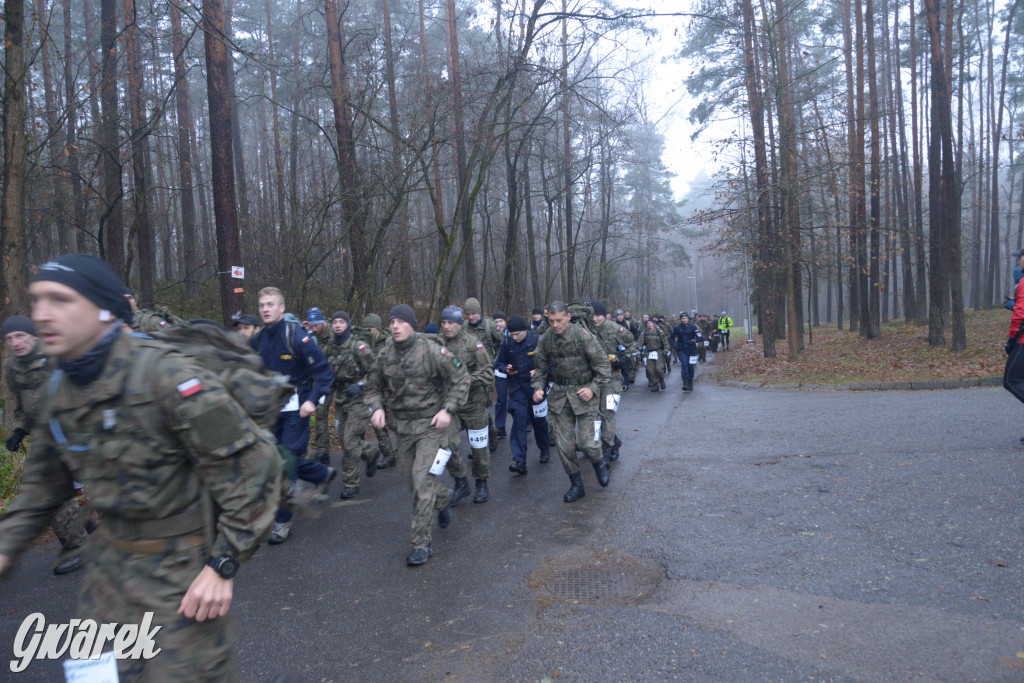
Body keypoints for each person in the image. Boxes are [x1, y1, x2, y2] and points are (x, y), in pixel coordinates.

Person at [0, 254, 281, 680]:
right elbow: (42, 489)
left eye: (59, 300)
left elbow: (256, 466)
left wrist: (223, 563)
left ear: (101, 308)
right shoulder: (60, 389)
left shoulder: (166, 376)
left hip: (180, 577)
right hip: (106, 578)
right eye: (36, 300)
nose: (40, 314)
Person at [364, 305, 471, 566]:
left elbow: (461, 379)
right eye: (392, 321)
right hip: (401, 430)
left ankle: (420, 544)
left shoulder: (432, 350)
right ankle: (443, 499)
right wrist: (376, 407)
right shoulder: (386, 351)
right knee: (414, 482)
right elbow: (372, 386)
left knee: (421, 483)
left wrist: (448, 409)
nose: (395, 326)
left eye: (401, 321)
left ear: (412, 324)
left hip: (431, 427)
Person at [2, 315, 89, 575]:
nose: (15, 342)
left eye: (20, 336)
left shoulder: (56, 356)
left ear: (33, 336)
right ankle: (85, 529)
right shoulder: (12, 367)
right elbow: (22, 405)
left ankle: (79, 545)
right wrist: (19, 430)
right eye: (9, 338)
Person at [251, 287, 336, 544]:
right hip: (269, 412)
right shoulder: (258, 340)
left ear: (281, 308)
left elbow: (324, 374)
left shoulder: (298, 337)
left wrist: (311, 401)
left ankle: (282, 522)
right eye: (262, 305)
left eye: (270, 304)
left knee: (284, 464)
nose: (265, 309)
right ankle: (319, 473)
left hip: (295, 410)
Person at [531, 301, 611, 503]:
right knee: (564, 446)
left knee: (587, 443)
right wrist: (538, 388)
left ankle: (599, 461)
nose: (555, 325)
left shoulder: (582, 336)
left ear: (568, 317)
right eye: (551, 321)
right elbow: (539, 369)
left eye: (559, 320)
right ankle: (576, 484)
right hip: (559, 396)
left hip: (584, 394)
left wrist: (592, 388)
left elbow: (603, 365)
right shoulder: (546, 340)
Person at [439, 306, 494, 503]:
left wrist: (467, 380)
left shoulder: (472, 344)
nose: (446, 327)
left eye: (450, 323)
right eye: (443, 322)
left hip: (473, 404)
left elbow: (488, 372)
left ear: (459, 323)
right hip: (450, 406)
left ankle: (481, 482)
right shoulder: (438, 344)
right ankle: (461, 482)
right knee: (447, 445)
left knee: (478, 448)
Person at [325, 311, 379, 499]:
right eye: (335, 322)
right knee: (344, 440)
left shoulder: (359, 347)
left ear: (348, 324)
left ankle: (351, 483)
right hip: (341, 400)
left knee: (349, 440)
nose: (338, 325)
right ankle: (370, 452)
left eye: (342, 322)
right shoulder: (330, 348)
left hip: (359, 400)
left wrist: (360, 385)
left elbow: (375, 372)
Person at [495, 315, 550, 474]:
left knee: (538, 421)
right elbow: (498, 362)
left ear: (526, 330)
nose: (515, 337)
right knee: (518, 420)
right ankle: (519, 460)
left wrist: (540, 371)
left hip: (536, 387)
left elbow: (551, 362)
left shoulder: (537, 340)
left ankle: (544, 447)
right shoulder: (507, 342)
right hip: (517, 387)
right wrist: (506, 368)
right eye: (512, 335)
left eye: (518, 334)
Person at [591, 300, 634, 463]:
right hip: (593, 379)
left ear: (604, 315)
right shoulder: (586, 331)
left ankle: (607, 449)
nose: (595, 319)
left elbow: (632, 348)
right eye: (592, 316)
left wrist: (621, 361)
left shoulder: (617, 330)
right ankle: (613, 442)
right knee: (595, 415)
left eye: (598, 315)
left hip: (612, 379)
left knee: (608, 413)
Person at [355, 312, 398, 469]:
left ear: (378, 328)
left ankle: (409, 449)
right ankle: (388, 455)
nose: (368, 330)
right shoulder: (362, 343)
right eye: (365, 327)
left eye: (370, 327)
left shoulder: (389, 343)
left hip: (390, 389)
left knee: (396, 423)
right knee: (377, 423)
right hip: (372, 391)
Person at [305, 307, 332, 465]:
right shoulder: (311, 336)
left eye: (316, 325)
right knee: (320, 412)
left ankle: (364, 450)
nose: (314, 328)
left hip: (343, 380)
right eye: (311, 325)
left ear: (323, 322)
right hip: (324, 382)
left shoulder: (335, 332)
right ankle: (323, 452)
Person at [670, 312, 702, 392]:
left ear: (688, 319)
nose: (684, 320)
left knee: (690, 367)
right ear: (680, 319)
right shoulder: (677, 328)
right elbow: (671, 338)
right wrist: (675, 346)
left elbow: (700, 338)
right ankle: (685, 382)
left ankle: (690, 382)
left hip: (692, 350)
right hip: (682, 350)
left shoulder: (693, 327)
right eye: (683, 319)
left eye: (686, 318)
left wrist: (694, 340)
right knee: (684, 365)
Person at [492, 311, 509, 440]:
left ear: (505, 321)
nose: (498, 324)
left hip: (515, 372)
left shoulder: (512, 332)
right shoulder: (490, 335)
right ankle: (500, 427)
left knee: (518, 399)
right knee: (501, 400)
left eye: (500, 321)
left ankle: (526, 422)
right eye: (496, 322)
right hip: (500, 372)